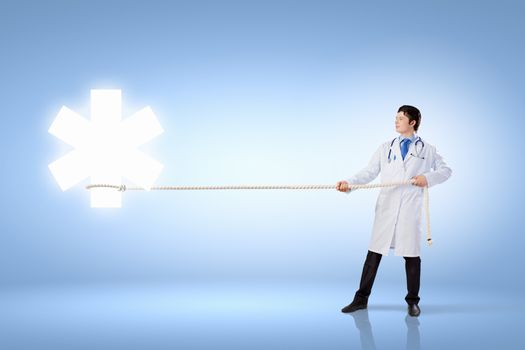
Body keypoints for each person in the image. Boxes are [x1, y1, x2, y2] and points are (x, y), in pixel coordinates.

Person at [336, 105, 452, 317]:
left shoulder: (427, 149)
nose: (396, 121)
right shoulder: (385, 147)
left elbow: (446, 170)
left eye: (400, 118)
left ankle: (413, 302)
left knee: (412, 257)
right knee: (373, 255)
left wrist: (428, 178)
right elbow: (370, 171)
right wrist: (349, 183)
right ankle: (360, 299)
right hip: (387, 208)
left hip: (410, 209)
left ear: (412, 122)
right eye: (395, 118)